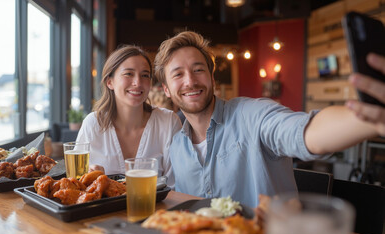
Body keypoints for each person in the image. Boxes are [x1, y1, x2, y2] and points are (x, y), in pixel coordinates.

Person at [154, 31, 382, 208]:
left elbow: (306, 133)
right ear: (166, 89)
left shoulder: (252, 115)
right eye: (178, 74)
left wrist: (372, 120)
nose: (190, 81)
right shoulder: (177, 146)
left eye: (198, 69)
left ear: (212, 77)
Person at [76, 45, 182, 187]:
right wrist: (90, 178)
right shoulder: (92, 124)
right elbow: (76, 184)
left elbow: (175, 185)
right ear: (110, 82)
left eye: (145, 75)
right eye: (128, 74)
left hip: (157, 208)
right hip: (105, 209)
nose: (137, 83)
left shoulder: (168, 122)